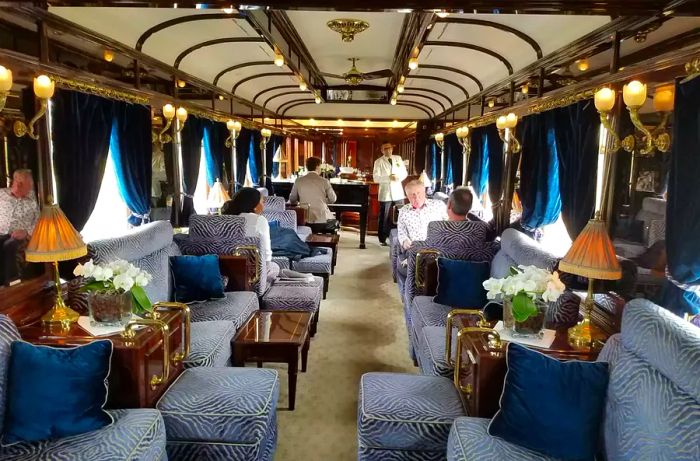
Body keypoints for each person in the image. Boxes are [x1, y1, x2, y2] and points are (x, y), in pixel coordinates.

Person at [0, 169, 39, 285]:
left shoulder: (31, 202)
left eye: (29, 187)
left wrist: (26, 233)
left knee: (9, 245)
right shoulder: (1, 194)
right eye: (29, 186)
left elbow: (38, 224)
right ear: (16, 182)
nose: (29, 190)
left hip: (18, 237)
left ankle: (13, 284)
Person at [221, 187, 272, 262]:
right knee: (275, 267)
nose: (263, 206)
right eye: (262, 202)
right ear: (255, 206)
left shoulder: (224, 219)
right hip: (252, 267)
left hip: (225, 265)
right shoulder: (260, 220)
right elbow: (266, 254)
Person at [289, 156, 338, 234]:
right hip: (321, 220)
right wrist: (322, 200)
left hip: (304, 219)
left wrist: (301, 201)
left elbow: (292, 199)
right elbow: (333, 199)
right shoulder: (324, 181)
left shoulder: (298, 181)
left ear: (307, 166)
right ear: (317, 166)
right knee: (331, 219)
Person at [373, 141, 408, 246]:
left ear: (392, 149)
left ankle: (400, 237)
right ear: (382, 150)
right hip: (386, 192)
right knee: (384, 216)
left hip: (398, 191)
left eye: (389, 148)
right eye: (385, 148)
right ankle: (382, 239)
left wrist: (398, 178)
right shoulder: (378, 162)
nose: (388, 150)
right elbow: (376, 178)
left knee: (401, 215)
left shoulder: (398, 159)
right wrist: (388, 178)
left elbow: (404, 173)